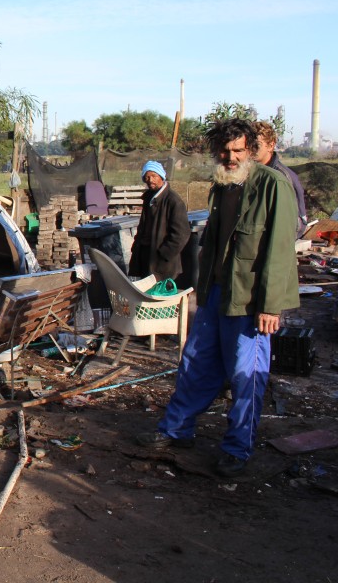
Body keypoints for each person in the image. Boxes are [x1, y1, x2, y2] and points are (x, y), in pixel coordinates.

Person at [136, 118, 299, 478]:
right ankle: (175, 430)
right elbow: (211, 247)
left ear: (251, 151)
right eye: (224, 151)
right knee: (195, 363)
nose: (229, 157)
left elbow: (280, 250)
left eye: (237, 150)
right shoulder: (222, 187)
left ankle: (237, 449)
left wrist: (270, 306)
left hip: (250, 300)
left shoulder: (273, 186)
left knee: (246, 375)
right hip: (216, 294)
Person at [127, 160, 191, 282]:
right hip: (146, 257)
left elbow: (181, 233)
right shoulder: (149, 198)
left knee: (163, 297)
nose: (150, 180)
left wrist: (164, 254)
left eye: (154, 176)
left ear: (161, 176)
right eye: (147, 177)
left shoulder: (173, 201)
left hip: (163, 263)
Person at [253, 121, 308, 237]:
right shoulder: (248, 171)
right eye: (248, 145)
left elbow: (297, 223)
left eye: (256, 145)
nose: (251, 149)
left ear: (271, 145)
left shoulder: (282, 177)